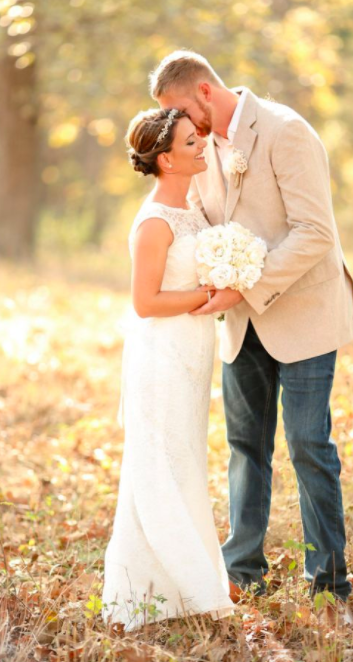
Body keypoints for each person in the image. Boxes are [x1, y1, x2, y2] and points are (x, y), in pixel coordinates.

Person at [150, 51, 353, 607]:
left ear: (203, 91)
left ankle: (330, 583)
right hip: (241, 323)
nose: (176, 128)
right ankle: (243, 571)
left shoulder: (286, 131)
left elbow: (315, 231)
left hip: (305, 315)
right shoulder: (200, 150)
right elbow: (197, 225)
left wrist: (245, 283)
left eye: (178, 111)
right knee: (245, 446)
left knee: (309, 443)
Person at [101, 107, 234, 630]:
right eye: (189, 142)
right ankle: (179, 590)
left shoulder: (192, 210)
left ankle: (176, 589)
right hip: (162, 359)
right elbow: (144, 302)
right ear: (165, 159)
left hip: (193, 353)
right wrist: (210, 293)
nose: (201, 144)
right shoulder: (155, 220)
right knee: (158, 466)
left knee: (184, 466)